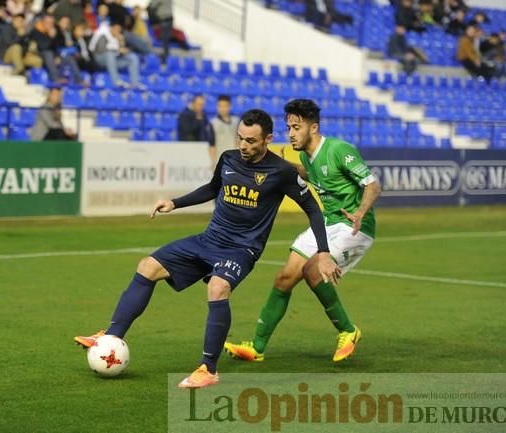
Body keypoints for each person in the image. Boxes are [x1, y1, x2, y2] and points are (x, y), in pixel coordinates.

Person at [74, 109, 340, 388]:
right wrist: (175, 203)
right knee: (147, 266)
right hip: (209, 240)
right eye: (240, 138)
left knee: (217, 288)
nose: (244, 146)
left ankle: (209, 369)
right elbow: (212, 189)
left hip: (241, 249)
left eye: (251, 141)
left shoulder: (282, 171)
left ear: (268, 139)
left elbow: (312, 209)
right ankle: (111, 335)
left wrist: (322, 251)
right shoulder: (228, 159)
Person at [224, 99, 381, 364]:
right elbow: (310, 174)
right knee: (284, 277)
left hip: (354, 227)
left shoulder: (339, 149)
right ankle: (257, 347)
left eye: (296, 127)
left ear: (314, 127)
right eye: (288, 128)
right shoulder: (307, 156)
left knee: (312, 270)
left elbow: (373, 185)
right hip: (327, 224)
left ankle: (348, 330)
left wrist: (360, 212)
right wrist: (277, 164)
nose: (291, 133)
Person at [89, 20, 144, 88]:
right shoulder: (103, 34)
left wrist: (121, 43)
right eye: (116, 29)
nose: (117, 31)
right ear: (111, 28)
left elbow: (120, 53)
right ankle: (116, 81)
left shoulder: (118, 38)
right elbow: (101, 49)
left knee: (133, 57)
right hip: (99, 58)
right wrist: (117, 50)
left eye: (119, 30)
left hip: (113, 61)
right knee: (110, 54)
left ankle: (135, 83)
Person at [209, 94, 238, 166]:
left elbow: (238, 141)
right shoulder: (213, 123)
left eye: (225, 106)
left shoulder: (236, 121)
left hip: (234, 160)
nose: (223, 108)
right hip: (220, 159)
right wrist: (214, 161)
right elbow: (212, 144)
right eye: (220, 106)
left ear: (230, 106)